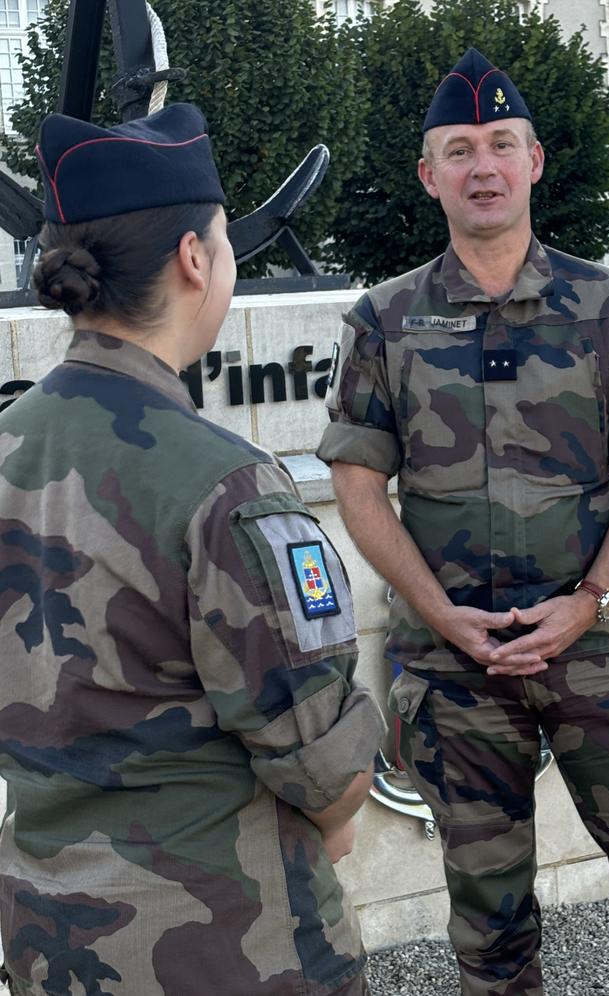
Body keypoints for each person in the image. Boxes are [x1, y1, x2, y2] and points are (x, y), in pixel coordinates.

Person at [317, 47, 609, 996]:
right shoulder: (383, 321)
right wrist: (438, 615)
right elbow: (355, 483)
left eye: (502, 144)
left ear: (535, 161)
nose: (483, 167)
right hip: (453, 672)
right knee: (489, 930)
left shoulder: (606, 305)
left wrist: (588, 601)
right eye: (459, 149)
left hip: (597, 655)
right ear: (429, 175)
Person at [0, 103, 383, 996]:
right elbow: (327, 775)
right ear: (193, 258)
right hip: (230, 952)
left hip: (52, 944)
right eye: (222, 237)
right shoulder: (228, 486)